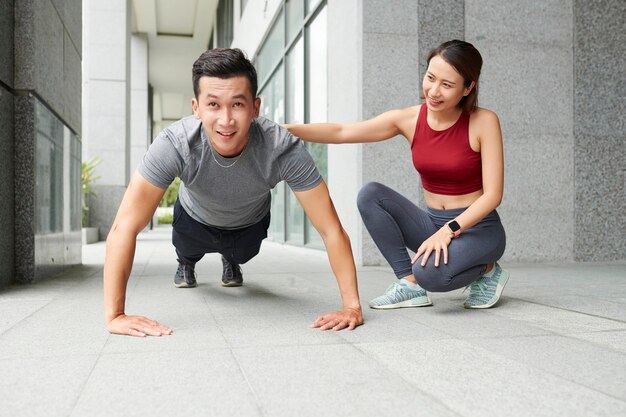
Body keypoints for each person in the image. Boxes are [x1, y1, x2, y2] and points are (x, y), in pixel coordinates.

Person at [104, 48, 363, 337]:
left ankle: (231, 259)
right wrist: (116, 315)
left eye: (237, 105)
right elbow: (123, 227)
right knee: (188, 249)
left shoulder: (282, 148)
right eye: (213, 104)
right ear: (196, 107)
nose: (226, 120)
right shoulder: (175, 144)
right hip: (194, 218)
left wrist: (352, 306)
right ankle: (186, 264)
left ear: (255, 107)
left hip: (248, 223)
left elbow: (331, 229)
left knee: (242, 254)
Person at [285, 40, 508, 310]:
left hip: (478, 230)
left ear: (468, 87)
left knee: (432, 275)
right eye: (430, 78)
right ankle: (409, 284)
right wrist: (282, 129)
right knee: (371, 195)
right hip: (433, 224)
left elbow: (493, 194)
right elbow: (342, 132)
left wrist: (448, 232)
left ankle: (487, 270)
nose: (434, 91)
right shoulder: (410, 119)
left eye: (447, 85)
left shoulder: (484, 121)